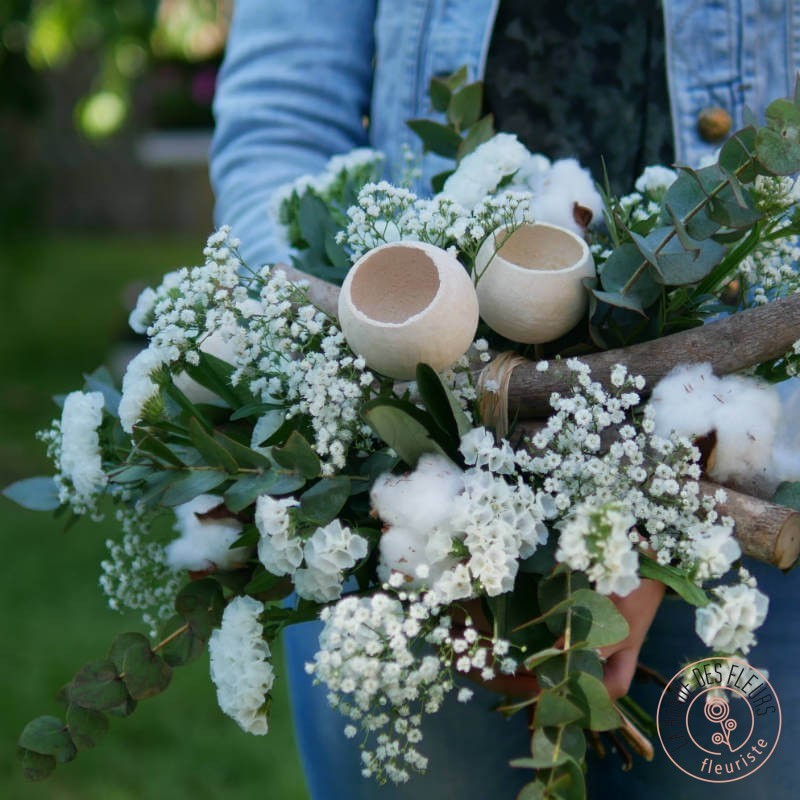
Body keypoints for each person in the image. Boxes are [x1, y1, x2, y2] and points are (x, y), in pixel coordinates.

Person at [210, 2, 800, 797]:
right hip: (406, 503)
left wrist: (659, 505)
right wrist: (387, 402)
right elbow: (282, 118)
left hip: (753, 475)